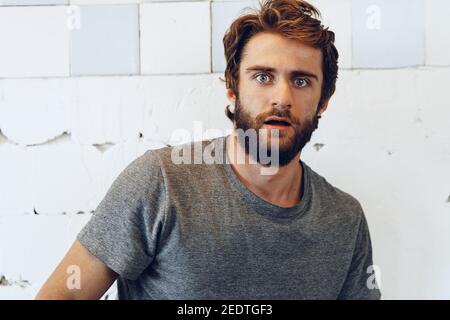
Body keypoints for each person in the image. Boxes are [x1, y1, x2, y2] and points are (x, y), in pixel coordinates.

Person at [36, 0, 381, 300]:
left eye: (301, 81)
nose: (282, 98)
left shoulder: (345, 218)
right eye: (263, 77)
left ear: (323, 101)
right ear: (233, 89)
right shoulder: (161, 183)